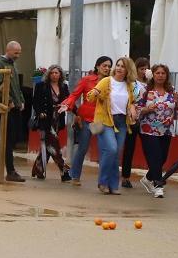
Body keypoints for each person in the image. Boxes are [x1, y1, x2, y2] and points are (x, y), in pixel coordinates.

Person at [84, 57, 140, 195]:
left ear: (128, 70)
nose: (119, 68)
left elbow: (132, 101)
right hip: (106, 121)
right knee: (112, 149)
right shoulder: (106, 81)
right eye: (118, 65)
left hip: (122, 122)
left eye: (123, 66)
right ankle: (103, 182)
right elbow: (89, 97)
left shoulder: (129, 86)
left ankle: (113, 185)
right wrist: (95, 93)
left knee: (116, 154)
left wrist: (132, 108)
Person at [59, 55, 112, 187]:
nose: (107, 68)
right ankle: (75, 175)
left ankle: (104, 181)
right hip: (86, 119)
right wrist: (67, 103)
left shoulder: (112, 82)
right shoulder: (87, 80)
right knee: (82, 148)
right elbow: (74, 95)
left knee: (107, 149)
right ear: (97, 66)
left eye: (109, 66)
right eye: (104, 65)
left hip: (103, 120)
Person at [136, 64, 178, 198]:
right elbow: (135, 108)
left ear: (167, 76)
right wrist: (146, 109)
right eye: (157, 73)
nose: (160, 75)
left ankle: (147, 178)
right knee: (155, 156)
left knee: (162, 158)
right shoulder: (145, 90)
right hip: (148, 129)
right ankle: (158, 185)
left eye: (163, 73)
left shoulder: (172, 91)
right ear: (153, 75)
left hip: (166, 130)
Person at [0, 41, 27, 182]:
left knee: (14, 138)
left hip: (16, 106)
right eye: (16, 52)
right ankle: (10, 171)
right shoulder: (0, 63)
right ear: (8, 50)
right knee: (8, 140)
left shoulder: (12, 64)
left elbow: (16, 85)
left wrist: (21, 100)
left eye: (19, 53)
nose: (18, 55)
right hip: (7, 107)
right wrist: (9, 101)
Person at [30, 65, 71, 181]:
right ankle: (64, 171)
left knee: (48, 146)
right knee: (54, 145)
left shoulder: (64, 86)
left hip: (57, 119)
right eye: (52, 73)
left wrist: (74, 111)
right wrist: (40, 112)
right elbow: (35, 102)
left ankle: (38, 169)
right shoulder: (41, 86)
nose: (54, 75)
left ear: (60, 74)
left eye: (56, 73)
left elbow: (69, 100)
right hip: (45, 120)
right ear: (48, 74)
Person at [120, 57, 150, 188]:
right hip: (134, 119)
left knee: (149, 149)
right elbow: (136, 99)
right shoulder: (135, 84)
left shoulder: (151, 83)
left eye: (146, 69)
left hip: (148, 121)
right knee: (129, 148)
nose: (144, 71)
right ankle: (125, 177)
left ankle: (152, 175)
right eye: (141, 69)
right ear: (136, 69)